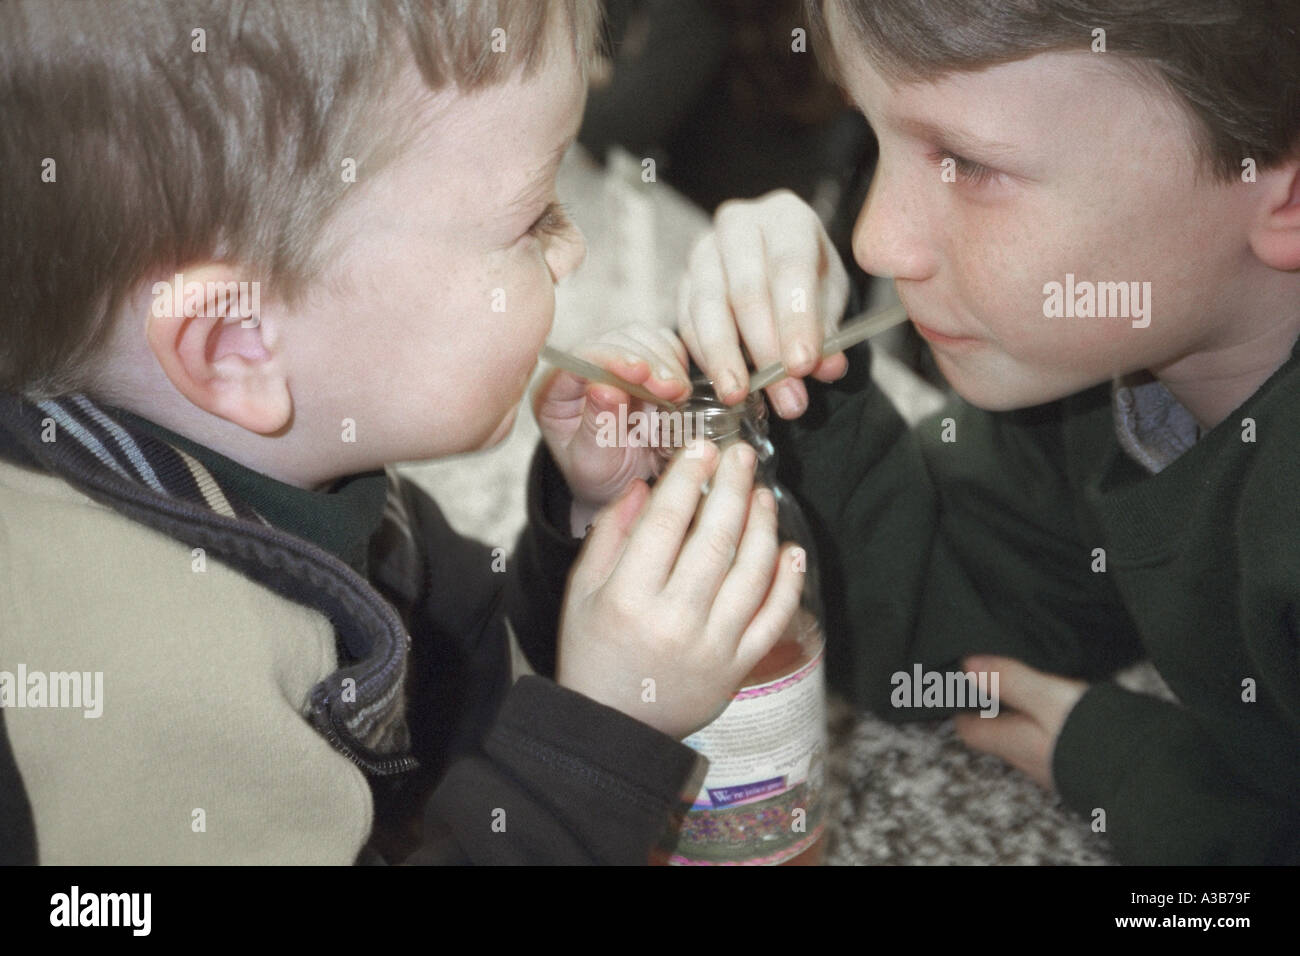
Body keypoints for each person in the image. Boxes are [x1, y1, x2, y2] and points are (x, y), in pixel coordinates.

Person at [0, 0, 803, 864]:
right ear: (236, 342)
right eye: (530, 218)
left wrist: (593, 525)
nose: (568, 251)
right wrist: (602, 740)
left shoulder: (286, 474)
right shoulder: (149, 705)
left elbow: (463, 683)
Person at [591, 0, 1300, 863]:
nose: (876, 242)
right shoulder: (1103, 395)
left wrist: (1158, 780)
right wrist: (793, 383)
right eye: (876, 134)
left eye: (967, 162)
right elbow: (935, 624)